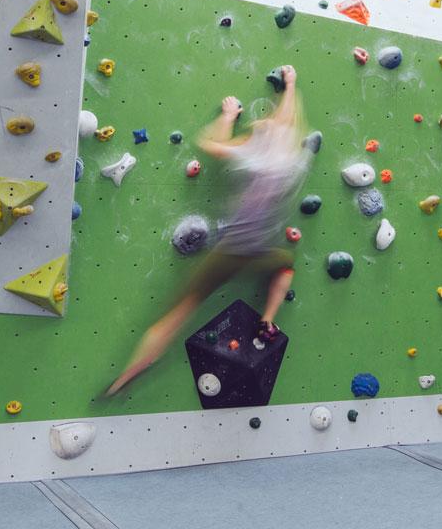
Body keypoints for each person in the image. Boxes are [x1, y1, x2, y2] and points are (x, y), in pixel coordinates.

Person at [106, 65, 320, 396]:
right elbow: (286, 120)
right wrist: (290, 85)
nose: (259, 121)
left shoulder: (252, 154)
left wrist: (227, 116)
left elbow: (210, 145)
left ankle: (130, 371)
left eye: (259, 124)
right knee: (285, 263)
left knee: (180, 312)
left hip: (231, 251)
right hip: (260, 251)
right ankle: (268, 319)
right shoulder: (288, 159)